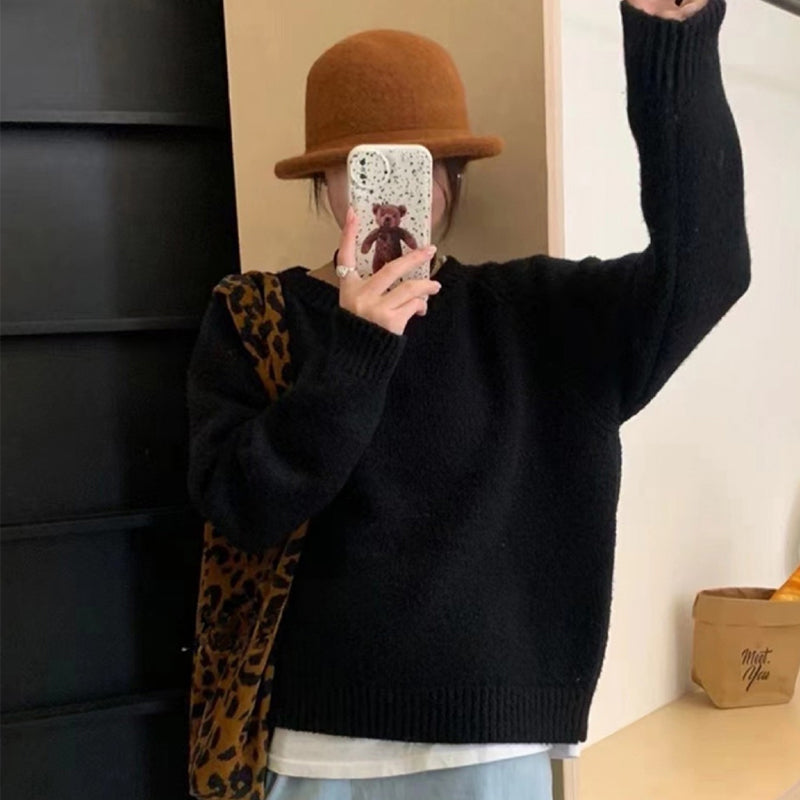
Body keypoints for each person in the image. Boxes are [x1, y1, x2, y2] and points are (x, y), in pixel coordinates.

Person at [185, 0, 750, 797]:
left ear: (450, 178)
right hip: (314, 752)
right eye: (361, 169)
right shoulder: (257, 317)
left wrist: (673, 43)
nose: (390, 200)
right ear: (323, 179)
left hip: (494, 751)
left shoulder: (536, 317)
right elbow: (241, 507)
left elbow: (707, 269)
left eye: (419, 168)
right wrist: (359, 349)